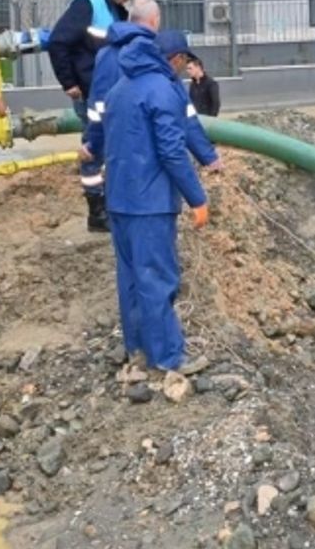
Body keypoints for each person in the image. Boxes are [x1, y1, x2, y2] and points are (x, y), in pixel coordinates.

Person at [102, 28, 212, 373]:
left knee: (132, 279)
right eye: (184, 61)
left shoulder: (120, 87)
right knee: (158, 278)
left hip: (119, 201)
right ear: (176, 59)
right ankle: (168, 357)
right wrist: (197, 198)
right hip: (149, 203)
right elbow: (172, 151)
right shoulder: (163, 91)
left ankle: (138, 349)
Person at [48, 0, 143, 232]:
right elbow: (58, 41)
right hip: (91, 93)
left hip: (108, 92)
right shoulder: (87, 4)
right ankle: (97, 213)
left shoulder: (116, 9)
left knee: (110, 150)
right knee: (93, 151)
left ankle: (111, 208)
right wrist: (68, 83)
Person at [80, 0, 222, 179]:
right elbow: (184, 114)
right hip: (147, 156)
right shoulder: (156, 53)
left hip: (115, 150)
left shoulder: (105, 54)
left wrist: (91, 143)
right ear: (155, 21)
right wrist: (208, 156)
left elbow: (97, 108)